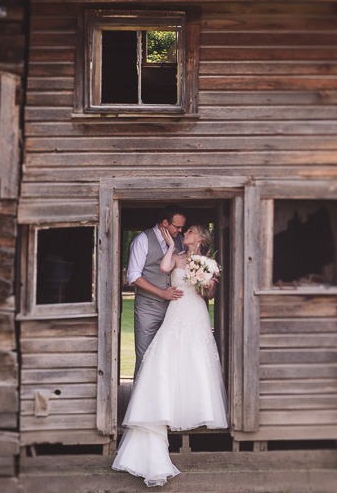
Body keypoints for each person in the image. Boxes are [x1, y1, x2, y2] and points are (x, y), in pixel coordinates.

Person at [112, 224, 228, 486]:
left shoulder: (209, 262)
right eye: (183, 231)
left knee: (197, 360)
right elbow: (164, 269)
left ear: (200, 238)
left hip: (196, 312)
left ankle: (195, 407)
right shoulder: (175, 256)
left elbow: (210, 294)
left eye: (189, 232)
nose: (184, 234)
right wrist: (168, 245)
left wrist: (204, 281)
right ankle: (164, 405)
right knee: (165, 357)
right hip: (175, 312)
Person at [126, 205, 186, 379]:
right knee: (145, 356)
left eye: (182, 227)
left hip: (174, 310)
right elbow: (133, 276)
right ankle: (140, 404)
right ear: (165, 223)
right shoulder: (142, 240)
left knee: (169, 357)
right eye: (177, 226)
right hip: (148, 308)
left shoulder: (180, 240)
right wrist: (162, 293)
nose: (181, 230)